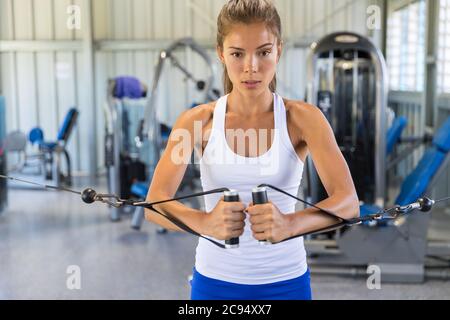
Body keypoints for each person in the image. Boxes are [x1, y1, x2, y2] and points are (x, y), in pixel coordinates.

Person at [145, 0, 359, 300]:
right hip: (215, 282)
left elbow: (348, 203)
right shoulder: (197, 122)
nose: (251, 67)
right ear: (221, 53)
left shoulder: (303, 119)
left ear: (278, 51)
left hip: (286, 281)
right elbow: (155, 203)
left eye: (263, 52)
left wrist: (289, 224)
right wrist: (204, 222)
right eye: (237, 53)